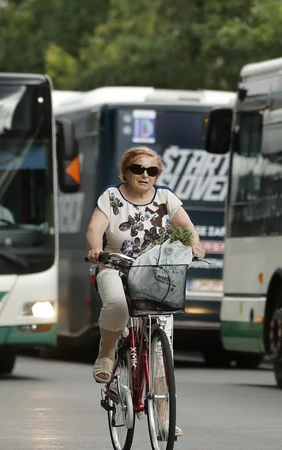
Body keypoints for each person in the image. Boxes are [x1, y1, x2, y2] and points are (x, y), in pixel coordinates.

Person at [86, 146, 205, 439]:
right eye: (138, 169)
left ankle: (163, 421)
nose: (145, 175)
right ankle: (108, 351)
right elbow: (94, 228)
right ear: (125, 172)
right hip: (117, 265)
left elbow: (187, 228)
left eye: (152, 171)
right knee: (116, 303)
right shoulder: (111, 197)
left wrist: (195, 246)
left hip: (156, 272)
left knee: (162, 357)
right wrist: (96, 248)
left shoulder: (166, 198)